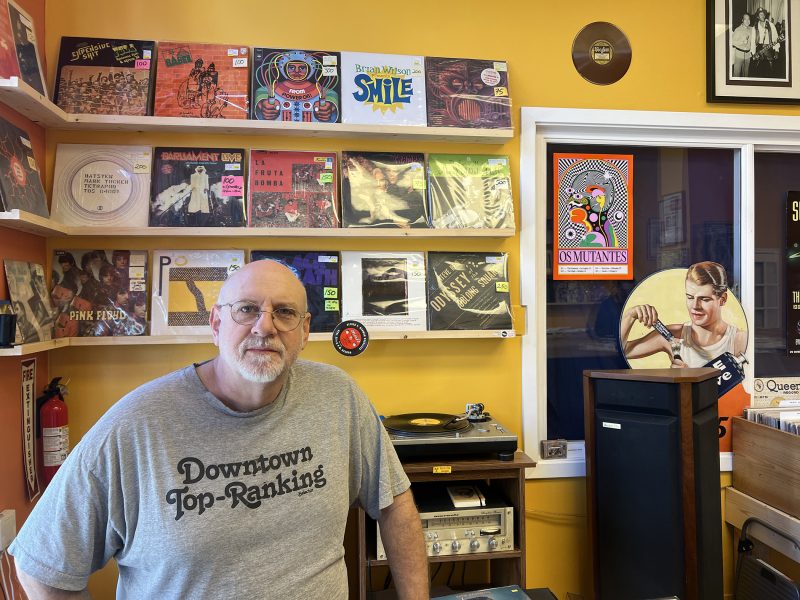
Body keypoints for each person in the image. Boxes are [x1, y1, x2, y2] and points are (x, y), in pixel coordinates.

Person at [10, 260, 430, 599]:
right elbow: (42, 566)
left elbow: (395, 503)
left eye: (284, 312)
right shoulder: (136, 425)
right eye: (246, 309)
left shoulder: (338, 396)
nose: (264, 327)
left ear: (304, 332)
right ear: (215, 324)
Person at [620, 261, 747, 367]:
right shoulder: (672, 335)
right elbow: (623, 351)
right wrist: (629, 316)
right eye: (690, 297)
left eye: (704, 299)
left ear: (723, 299)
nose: (695, 306)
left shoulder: (739, 340)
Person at [751, 7, 781, 78]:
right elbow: (753, 41)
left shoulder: (771, 25)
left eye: (763, 14)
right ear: (758, 16)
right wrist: (753, 53)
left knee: (770, 72)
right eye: (761, 14)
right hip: (759, 51)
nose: (763, 16)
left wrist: (777, 51)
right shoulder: (754, 27)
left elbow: (776, 38)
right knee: (758, 73)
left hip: (769, 50)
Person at [731, 12, 755, 77]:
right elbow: (732, 42)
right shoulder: (737, 30)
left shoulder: (752, 29)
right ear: (742, 20)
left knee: (746, 74)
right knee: (736, 74)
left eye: (748, 19)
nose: (747, 21)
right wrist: (742, 42)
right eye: (745, 19)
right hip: (739, 55)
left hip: (748, 55)